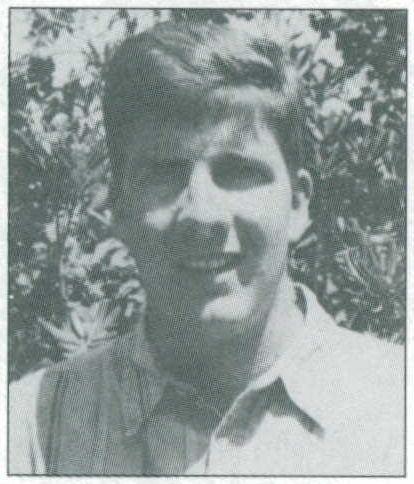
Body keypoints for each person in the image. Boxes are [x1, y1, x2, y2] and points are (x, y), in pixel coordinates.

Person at [9, 19, 404, 476]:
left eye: (238, 171)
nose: (203, 214)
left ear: (298, 204)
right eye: (164, 173)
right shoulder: (29, 431)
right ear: (118, 209)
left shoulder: (394, 412)